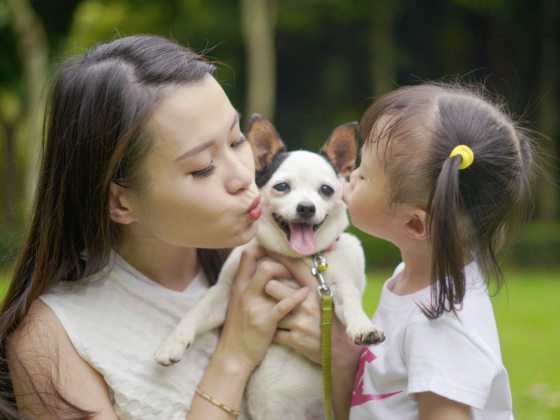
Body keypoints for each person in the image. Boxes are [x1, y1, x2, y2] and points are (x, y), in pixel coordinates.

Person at [0, 35, 360, 419]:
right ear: (121, 201)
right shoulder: (51, 339)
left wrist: (344, 361)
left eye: (238, 141)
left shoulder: (279, 257)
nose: (243, 175)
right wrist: (233, 358)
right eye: (203, 166)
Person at [342, 83, 537, 419]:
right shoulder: (412, 278)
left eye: (363, 172)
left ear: (416, 225)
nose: (351, 177)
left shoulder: (442, 326)